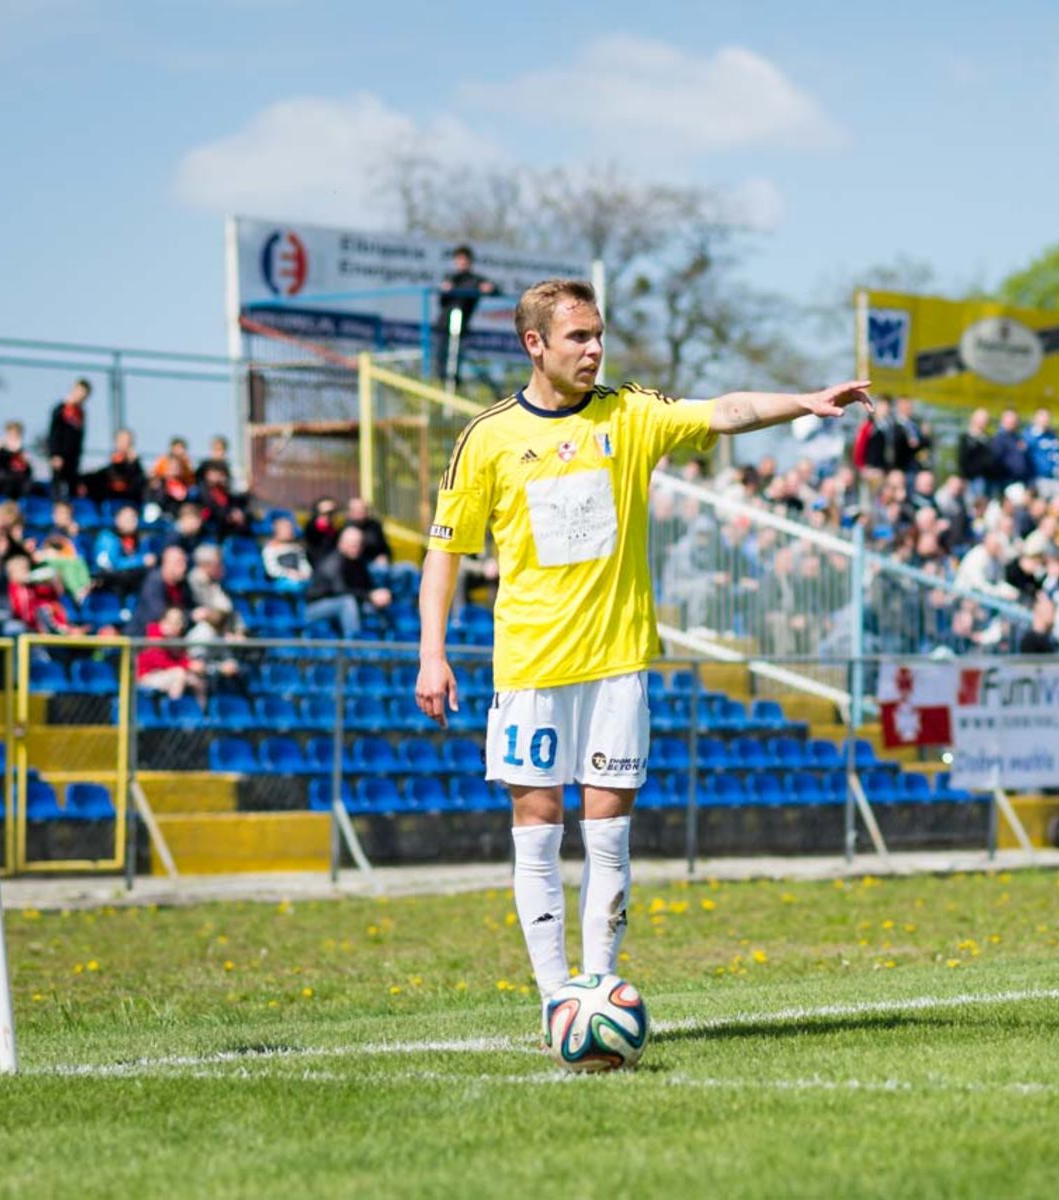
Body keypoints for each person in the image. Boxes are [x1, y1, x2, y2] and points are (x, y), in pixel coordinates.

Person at [414, 278, 870, 1029]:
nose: (594, 349)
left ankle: (599, 988)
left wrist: (803, 401)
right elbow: (445, 553)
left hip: (618, 666)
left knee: (609, 835)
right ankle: (555, 1000)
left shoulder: (628, 414)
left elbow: (722, 411)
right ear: (536, 344)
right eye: (578, 338)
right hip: (529, 668)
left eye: (599, 336)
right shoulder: (487, 438)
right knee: (537, 830)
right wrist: (433, 654)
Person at [306, 526, 392, 638]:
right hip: (316, 606)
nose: (357, 547)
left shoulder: (359, 561)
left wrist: (378, 594)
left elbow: (366, 587)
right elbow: (340, 590)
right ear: (341, 543)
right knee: (348, 603)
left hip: (347, 600)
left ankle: (384, 644)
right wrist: (370, 595)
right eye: (353, 544)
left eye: (360, 544)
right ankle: (352, 647)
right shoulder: (332, 563)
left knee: (373, 605)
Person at [434, 245, 499, 385]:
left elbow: (495, 290)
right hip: (443, 325)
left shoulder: (476, 280)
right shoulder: (450, 278)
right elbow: (441, 301)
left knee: (456, 360)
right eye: (459, 259)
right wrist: (445, 290)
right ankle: (441, 382)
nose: (462, 262)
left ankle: (455, 384)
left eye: (465, 259)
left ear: (470, 261)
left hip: (461, 326)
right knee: (440, 360)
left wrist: (490, 288)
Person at [46, 378, 90, 499]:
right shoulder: (61, 409)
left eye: (84, 395)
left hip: (73, 458)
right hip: (60, 456)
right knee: (58, 487)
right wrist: (55, 454)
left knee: (72, 488)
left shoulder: (80, 413)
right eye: (80, 392)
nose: (81, 397)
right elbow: (54, 433)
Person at [85, 427, 147, 507]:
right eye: (120, 441)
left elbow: (137, 487)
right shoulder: (109, 466)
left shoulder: (136, 467)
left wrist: (133, 464)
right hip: (109, 503)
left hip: (130, 505)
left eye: (126, 441)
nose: (123, 444)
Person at [0, 421, 35, 499]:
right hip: (1, 484)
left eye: (16, 434)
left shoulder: (23, 452)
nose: (13, 437)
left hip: (18, 486)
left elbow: (29, 472)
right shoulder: (0, 449)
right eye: (11, 434)